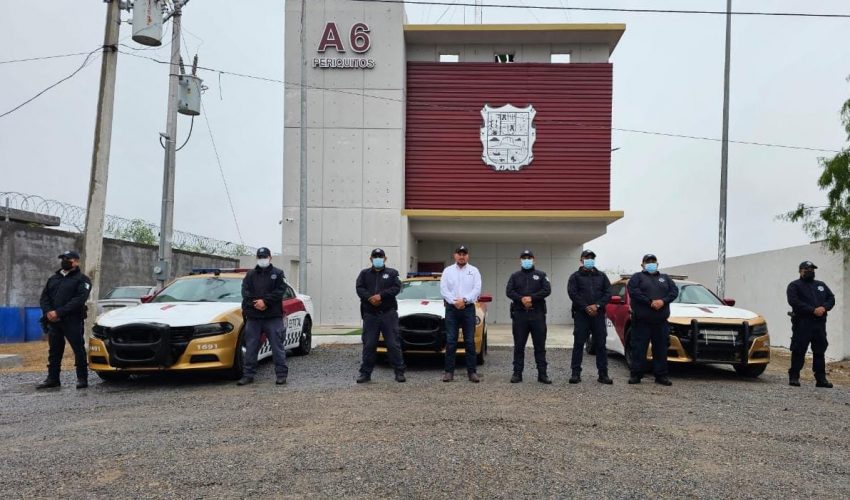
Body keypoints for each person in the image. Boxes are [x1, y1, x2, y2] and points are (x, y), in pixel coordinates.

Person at [37, 250, 92, 389]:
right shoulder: (53, 278)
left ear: (76, 262)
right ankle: (53, 379)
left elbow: (79, 300)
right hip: (54, 322)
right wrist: (48, 312)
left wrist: (59, 312)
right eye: (63, 258)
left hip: (72, 320)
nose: (64, 261)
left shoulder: (83, 279)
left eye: (68, 259)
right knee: (54, 351)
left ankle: (82, 378)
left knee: (78, 349)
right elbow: (44, 298)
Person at [237, 247, 288, 386]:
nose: (262, 259)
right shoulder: (250, 275)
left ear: (270, 257)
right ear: (257, 258)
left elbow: (280, 291)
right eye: (260, 257)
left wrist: (265, 302)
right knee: (251, 347)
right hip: (254, 317)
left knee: (277, 347)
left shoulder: (278, 273)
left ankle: (281, 375)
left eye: (264, 256)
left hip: (272, 316)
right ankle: (248, 375)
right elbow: (245, 292)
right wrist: (256, 303)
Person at [354, 248, 406, 383]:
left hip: (388, 314)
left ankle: (399, 372)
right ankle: (365, 373)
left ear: (385, 258)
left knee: (393, 344)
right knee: (369, 344)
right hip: (370, 315)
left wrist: (380, 296)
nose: (378, 258)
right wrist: (370, 297)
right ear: (371, 258)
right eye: (375, 256)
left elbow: (396, 288)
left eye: (380, 256)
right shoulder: (364, 274)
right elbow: (359, 288)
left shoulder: (392, 273)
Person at [627, 254, 678, 386]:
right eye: (648, 261)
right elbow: (634, 292)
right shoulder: (637, 277)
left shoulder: (665, 278)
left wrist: (663, 301)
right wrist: (650, 302)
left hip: (660, 322)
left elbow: (674, 292)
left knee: (661, 349)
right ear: (642, 264)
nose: (651, 263)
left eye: (653, 261)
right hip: (641, 322)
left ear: (657, 264)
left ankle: (661, 376)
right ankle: (636, 375)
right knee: (639, 349)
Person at [505, 249, 552, 384]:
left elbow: (547, 290)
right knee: (519, 346)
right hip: (520, 315)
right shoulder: (515, 276)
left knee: (540, 346)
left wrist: (531, 298)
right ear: (520, 260)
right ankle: (517, 374)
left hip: (537, 314)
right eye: (524, 258)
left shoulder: (541, 275)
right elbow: (509, 291)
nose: (527, 260)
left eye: (529, 258)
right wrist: (521, 299)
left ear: (533, 259)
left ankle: (542, 374)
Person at [567, 249, 613, 384]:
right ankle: (575, 373)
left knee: (601, 344)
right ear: (581, 260)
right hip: (581, 315)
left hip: (598, 315)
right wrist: (585, 307)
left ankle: (603, 374)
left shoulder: (602, 276)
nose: (589, 260)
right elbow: (573, 293)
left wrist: (597, 305)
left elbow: (608, 293)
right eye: (586, 258)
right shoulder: (575, 277)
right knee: (579, 344)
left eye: (592, 258)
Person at [786, 261, 835, 388]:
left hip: (819, 324)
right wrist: (812, 310)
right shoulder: (794, 285)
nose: (810, 271)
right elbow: (794, 302)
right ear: (800, 270)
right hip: (802, 323)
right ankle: (794, 376)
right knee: (799, 349)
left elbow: (831, 298)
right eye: (807, 269)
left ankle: (821, 379)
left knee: (820, 350)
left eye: (812, 269)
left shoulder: (821, 285)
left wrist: (824, 308)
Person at [440, 245, 482, 383]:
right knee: (451, 341)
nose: (462, 256)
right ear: (455, 255)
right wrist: (454, 301)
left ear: (467, 256)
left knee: (469, 341)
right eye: (459, 253)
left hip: (468, 308)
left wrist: (464, 300)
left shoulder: (474, 271)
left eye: (464, 254)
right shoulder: (447, 271)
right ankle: (448, 372)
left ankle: (472, 372)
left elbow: (477, 289)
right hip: (452, 309)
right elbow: (444, 289)